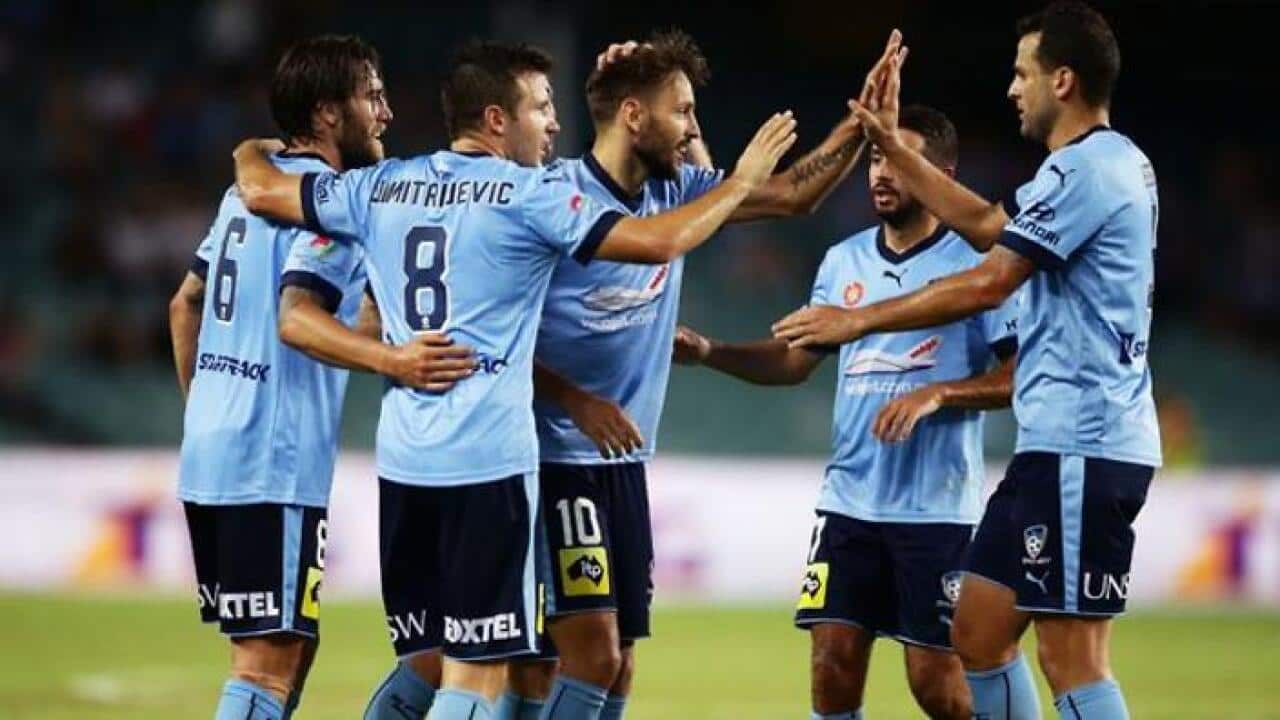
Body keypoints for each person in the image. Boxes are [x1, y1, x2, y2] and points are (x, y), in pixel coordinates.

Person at [230, 39, 797, 720]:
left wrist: (247, 148)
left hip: (405, 463)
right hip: (485, 462)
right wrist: (740, 180)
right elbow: (658, 241)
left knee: (431, 663)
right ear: (496, 120)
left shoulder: (379, 186)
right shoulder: (530, 195)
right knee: (478, 675)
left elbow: (260, 190)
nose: (555, 125)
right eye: (541, 108)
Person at [499, 29, 905, 720]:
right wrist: (575, 399)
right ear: (634, 115)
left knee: (616, 665)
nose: (692, 128)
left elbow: (789, 196)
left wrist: (862, 124)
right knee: (583, 655)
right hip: (554, 455)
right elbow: (499, 336)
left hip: (623, 461)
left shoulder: (679, 190)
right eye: (681, 111)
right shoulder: (553, 197)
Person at [773, 4, 1159, 718]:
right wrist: (888, 138)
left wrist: (857, 319)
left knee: (1071, 656)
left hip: (1085, 438)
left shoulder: (1088, 172)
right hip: (1051, 446)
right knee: (977, 632)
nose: (1013, 89)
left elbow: (990, 277)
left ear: (1063, 81)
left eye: (1023, 73)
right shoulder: (1087, 168)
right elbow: (988, 226)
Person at [674, 105, 1018, 720]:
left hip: (936, 510)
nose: (882, 172)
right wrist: (712, 353)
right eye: (877, 157)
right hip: (849, 506)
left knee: (935, 684)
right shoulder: (844, 261)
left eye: (899, 160)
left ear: (941, 173)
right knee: (831, 665)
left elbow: (1018, 378)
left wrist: (938, 393)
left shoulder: (976, 269)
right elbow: (794, 362)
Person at [168, 35, 466, 720]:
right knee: (266, 662)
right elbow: (295, 319)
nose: (387, 112)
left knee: (291, 649)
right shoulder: (329, 203)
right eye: (373, 96)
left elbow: (184, 303)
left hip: (216, 449)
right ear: (330, 115)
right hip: (270, 457)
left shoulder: (242, 195)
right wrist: (398, 360)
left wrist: (207, 405)